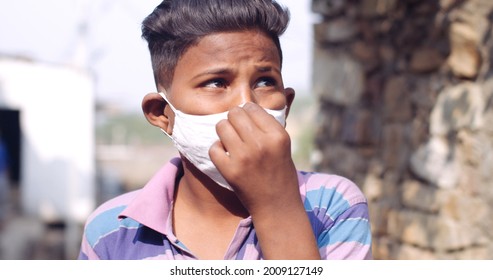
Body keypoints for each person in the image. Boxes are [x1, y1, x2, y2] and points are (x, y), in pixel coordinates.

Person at [78, 0, 372, 260]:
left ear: (288, 103)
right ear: (162, 114)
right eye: (217, 82)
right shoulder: (111, 232)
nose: (246, 105)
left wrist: (275, 203)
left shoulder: (333, 205)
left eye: (264, 81)